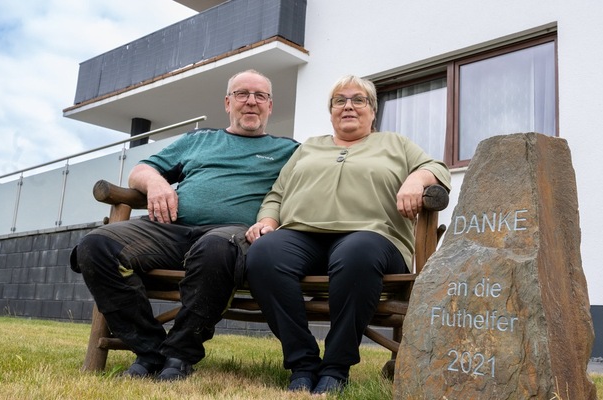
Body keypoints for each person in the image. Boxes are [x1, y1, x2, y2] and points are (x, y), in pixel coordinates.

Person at [70, 69, 298, 381]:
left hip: (233, 236)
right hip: (171, 229)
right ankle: (150, 350)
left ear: (270, 106)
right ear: (227, 102)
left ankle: (179, 354)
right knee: (96, 246)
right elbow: (140, 170)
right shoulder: (198, 140)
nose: (251, 101)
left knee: (215, 247)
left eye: (260, 96)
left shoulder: (288, 151)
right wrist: (157, 184)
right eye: (242, 94)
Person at [245, 74, 451, 394]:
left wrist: (416, 179)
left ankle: (335, 367)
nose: (348, 106)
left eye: (359, 100)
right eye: (339, 101)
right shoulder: (309, 147)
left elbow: (438, 169)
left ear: (373, 111)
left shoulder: (395, 143)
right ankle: (302, 363)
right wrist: (268, 222)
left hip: (373, 238)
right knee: (263, 254)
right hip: (303, 236)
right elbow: (276, 195)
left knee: (356, 252)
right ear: (331, 112)